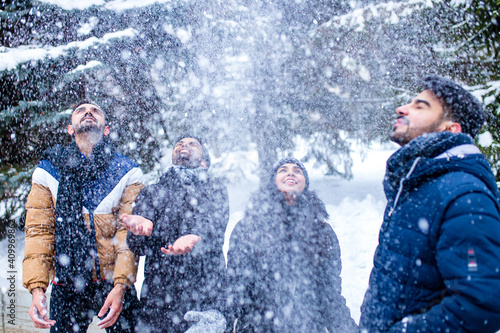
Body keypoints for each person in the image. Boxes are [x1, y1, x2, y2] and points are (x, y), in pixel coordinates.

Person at [359, 75, 500, 332]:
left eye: (420, 106)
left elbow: (480, 306)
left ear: (450, 129)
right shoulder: (418, 184)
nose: (402, 109)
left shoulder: (463, 195)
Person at [23, 100, 144, 332]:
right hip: (67, 283)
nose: (88, 112)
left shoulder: (127, 171)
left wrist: (120, 287)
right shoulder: (48, 171)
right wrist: (37, 289)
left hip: (112, 282)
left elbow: (126, 235)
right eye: (81, 111)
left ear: (106, 129)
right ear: (70, 128)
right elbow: (40, 232)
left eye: (95, 111)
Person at [226, 157, 358, 332]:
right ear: (273, 181)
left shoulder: (323, 232)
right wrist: (222, 321)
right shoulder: (247, 228)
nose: (290, 172)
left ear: (305, 183)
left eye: (297, 170)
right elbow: (236, 289)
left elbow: (330, 297)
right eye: (283, 170)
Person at [123, 135, 229, 333]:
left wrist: (197, 237)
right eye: (179, 143)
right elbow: (138, 246)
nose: (183, 146)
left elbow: (215, 228)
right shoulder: (152, 192)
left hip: (206, 294)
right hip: (159, 299)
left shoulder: (216, 189)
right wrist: (140, 231)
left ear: (204, 160)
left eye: (192, 144)